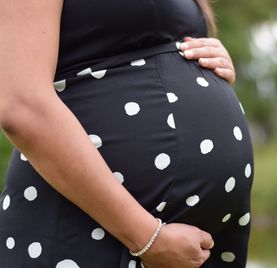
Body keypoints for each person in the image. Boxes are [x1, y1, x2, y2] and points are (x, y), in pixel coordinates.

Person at [0, 0, 254, 267]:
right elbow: (21, 105)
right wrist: (147, 238)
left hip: (194, 245)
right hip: (89, 233)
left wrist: (209, 57)